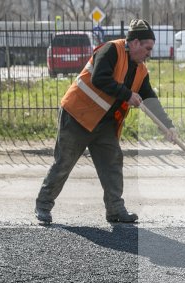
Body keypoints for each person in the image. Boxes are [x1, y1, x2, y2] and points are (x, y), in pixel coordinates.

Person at [35, 19, 177, 225]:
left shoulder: (141, 70)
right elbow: (99, 79)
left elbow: (150, 98)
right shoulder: (111, 50)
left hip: (105, 125)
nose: (149, 53)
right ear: (135, 42)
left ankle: (115, 210)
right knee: (63, 163)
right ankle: (43, 204)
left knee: (112, 165)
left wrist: (167, 126)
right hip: (77, 116)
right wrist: (127, 94)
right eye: (147, 48)